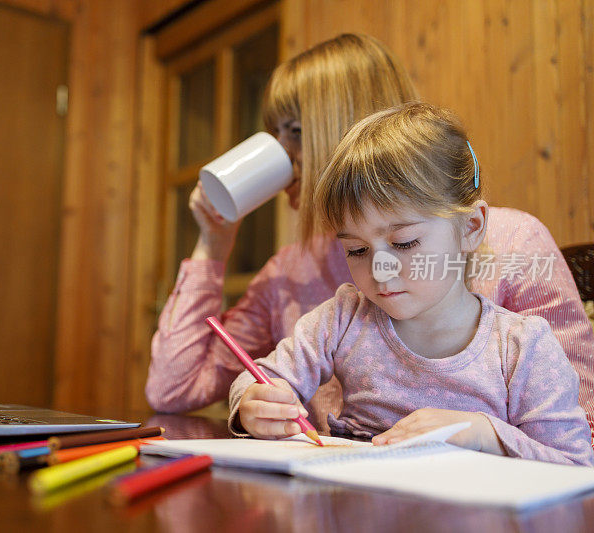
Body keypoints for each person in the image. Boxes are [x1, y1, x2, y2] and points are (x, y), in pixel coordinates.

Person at [146, 33, 594, 439]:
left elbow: (578, 427)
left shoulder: (512, 244)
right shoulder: (292, 273)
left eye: (296, 132)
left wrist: (484, 436)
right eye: (356, 250)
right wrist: (212, 244)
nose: (280, 154)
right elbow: (174, 389)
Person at [231, 103, 594, 466]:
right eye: (356, 250)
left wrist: (485, 433)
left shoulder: (521, 347)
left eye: (404, 243)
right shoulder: (343, 319)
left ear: (470, 228)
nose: (380, 269)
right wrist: (253, 403)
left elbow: (575, 465)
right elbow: (259, 379)